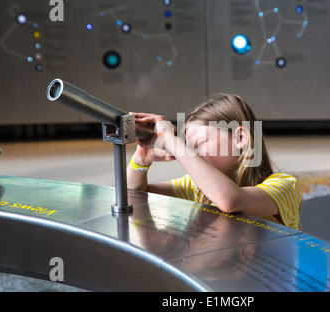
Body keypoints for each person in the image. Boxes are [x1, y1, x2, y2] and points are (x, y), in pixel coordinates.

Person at [126, 94, 302, 230]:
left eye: (200, 144)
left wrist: (169, 140)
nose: (191, 156)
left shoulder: (285, 187)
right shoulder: (197, 187)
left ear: (240, 138)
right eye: (189, 149)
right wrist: (141, 159)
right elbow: (133, 197)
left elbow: (231, 201)